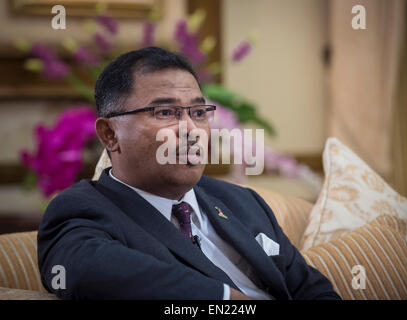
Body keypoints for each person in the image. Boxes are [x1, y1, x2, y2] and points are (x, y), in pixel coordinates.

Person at [37, 46, 341, 300]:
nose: (190, 130)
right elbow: (90, 272)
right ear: (110, 134)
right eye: (165, 113)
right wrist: (227, 300)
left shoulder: (243, 202)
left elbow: (311, 289)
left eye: (198, 113)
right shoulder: (82, 210)